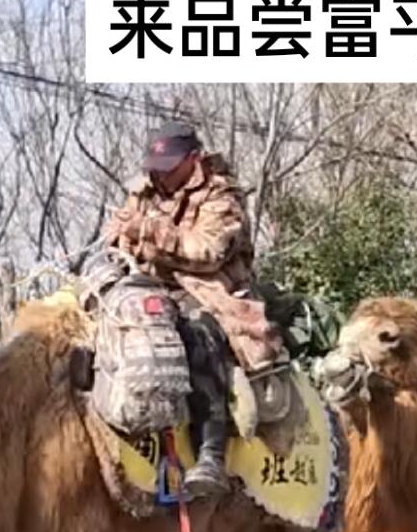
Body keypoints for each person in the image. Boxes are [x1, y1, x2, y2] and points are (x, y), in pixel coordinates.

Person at [105, 120, 290, 498]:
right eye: (156, 165)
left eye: (170, 164)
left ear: (193, 159)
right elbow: (117, 234)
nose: (161, 173)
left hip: (209, 291)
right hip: (144, 284)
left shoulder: (222, 195)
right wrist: (125, 236)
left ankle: (210, 452)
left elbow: (209, 252)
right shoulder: (145, 190)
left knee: (199, 334)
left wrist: (150, 232)